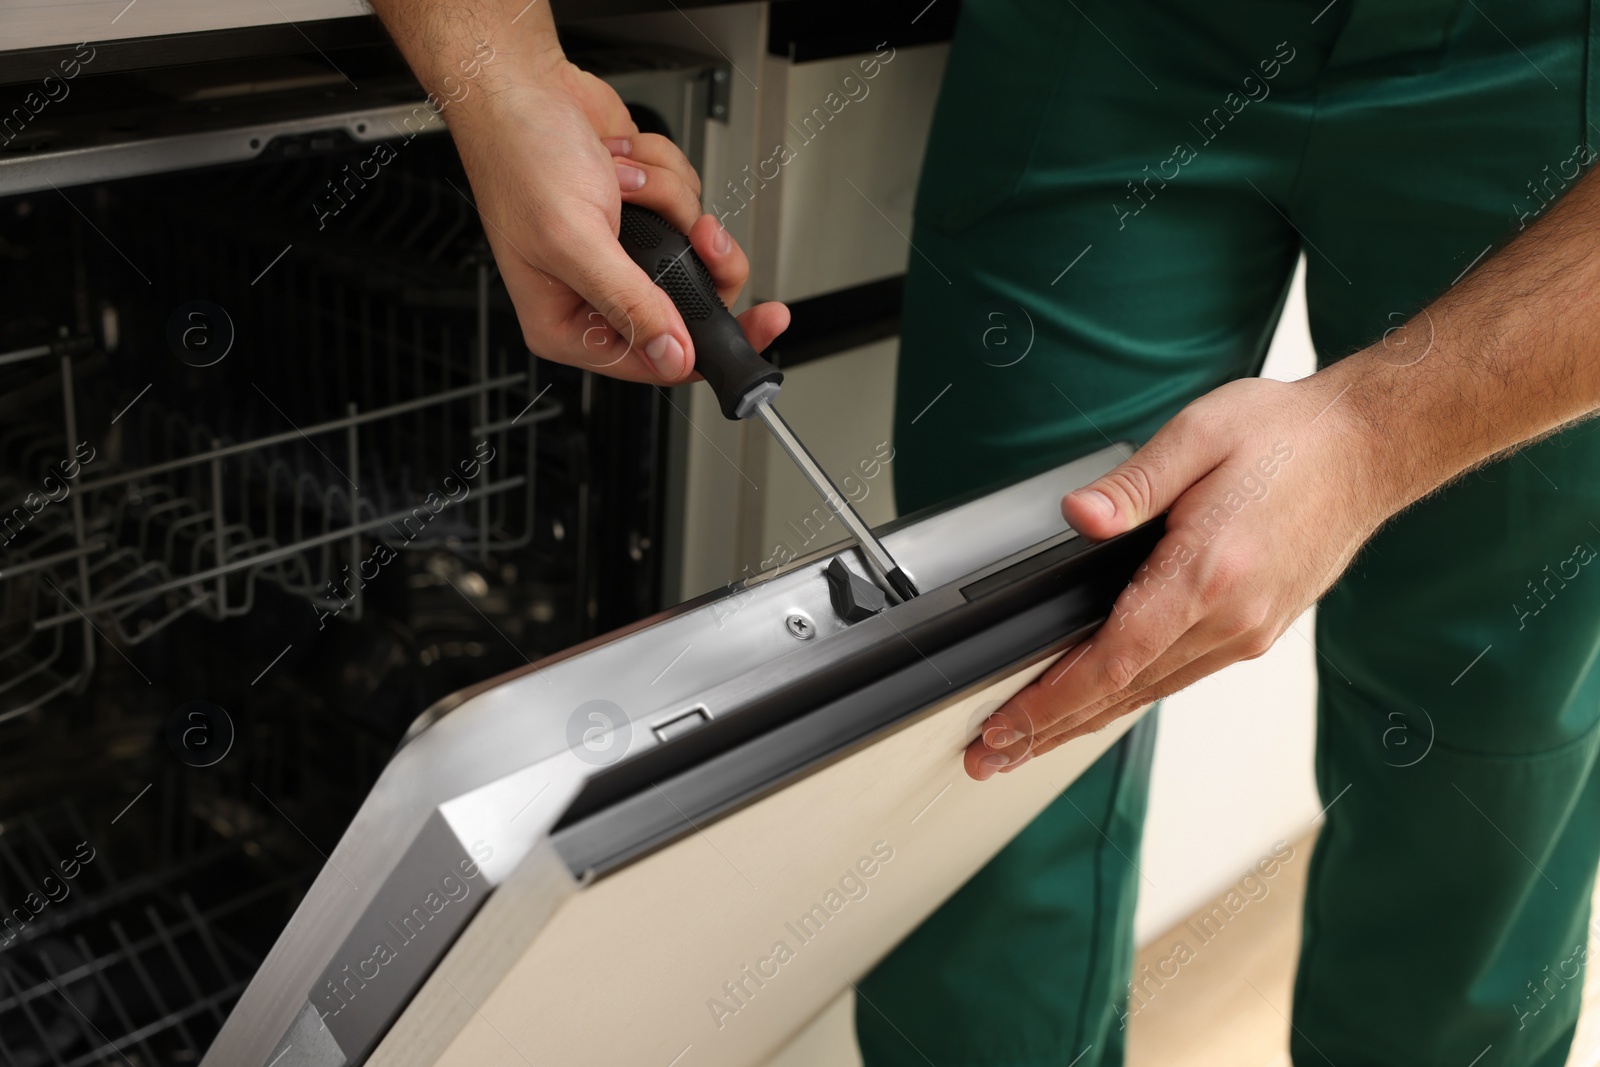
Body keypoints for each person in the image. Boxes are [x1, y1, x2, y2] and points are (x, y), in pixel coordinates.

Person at [372, 1, 1600, 1064]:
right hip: (1115, 36)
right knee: (980, 716)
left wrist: (1376, 435)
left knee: (1476, 742)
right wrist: (502, 76)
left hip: (1543, 65)